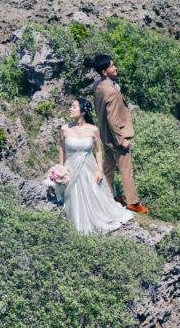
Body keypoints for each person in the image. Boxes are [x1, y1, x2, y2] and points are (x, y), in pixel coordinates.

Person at [57, 98, 134, 233]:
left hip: (88, 167)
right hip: (71, 168)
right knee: (73, 196)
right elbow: (61, 150)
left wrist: (99, 170)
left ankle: (96, 218)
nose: (70, 109)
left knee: (94, 194)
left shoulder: (93, 130)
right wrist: (60, 168)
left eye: (74, 107)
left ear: (82, 111)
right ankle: (76, 224)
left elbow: (98, 151)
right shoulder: (64, 129)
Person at [90, 54, 149, 214]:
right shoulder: (111, 91)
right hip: (116, 138)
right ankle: (133, 203)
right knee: (126, 171)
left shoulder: (97, 86)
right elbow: (112, 119)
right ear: (104, 71)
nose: (115, 68)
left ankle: (109, 196)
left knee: (108, 170)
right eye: (112, 66)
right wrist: (121, 140)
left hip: (105, 136)